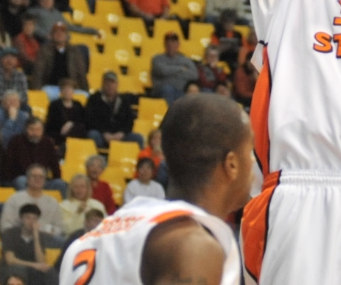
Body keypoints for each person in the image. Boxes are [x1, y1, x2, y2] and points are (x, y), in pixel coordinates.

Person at [61, 93, 251, 285]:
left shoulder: (103, 232)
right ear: (231, 164)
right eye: (250, 151)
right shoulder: (192, 245)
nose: (255, 163)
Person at [0, 204, 57, 285]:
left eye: (34, 219)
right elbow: (10, 260)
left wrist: (36, 237)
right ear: (21, 219)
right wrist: (34, 265)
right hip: (9, 270)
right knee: (19, 271)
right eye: (28, 218)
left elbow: (41, 261)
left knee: (50, 271)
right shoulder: (10, 233)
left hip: (30, 271)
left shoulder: (39, 236)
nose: (31, 221)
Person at [0, 164, 65, 239]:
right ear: (27, 179)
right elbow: (5, 225)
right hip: (21, 239)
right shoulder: (14, 199)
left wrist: (46, 230)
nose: (37, 179)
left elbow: (59, 227)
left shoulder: (53, 202)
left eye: (41, 177)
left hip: (45, 238)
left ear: (45, 180)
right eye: (34, 176)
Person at [4, 119, 67, 196]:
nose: (35, 133)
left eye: (38, 130)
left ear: (42, 131)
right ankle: (28, 206)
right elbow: (8, 165)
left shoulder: (48, 143)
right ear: (26, 130)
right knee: (21, 181)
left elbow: (55, 165)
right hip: (24, 179)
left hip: (42, 180)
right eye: (32, 129)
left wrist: (56, 177)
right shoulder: (16, 141)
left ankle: (64, 207)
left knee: (60, 184)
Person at [85, 71, 143, 149]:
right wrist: (104, 133)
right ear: (102, 84)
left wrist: (121, 133)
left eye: (112, 83)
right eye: (107, 83)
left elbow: (129, 121)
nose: (110, 86)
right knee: (93, 135)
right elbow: (90, 120)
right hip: (101, 134)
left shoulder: (123, 100)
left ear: (117, 84)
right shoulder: (94, 99)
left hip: (119, 135)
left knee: (138, 138)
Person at [31, 22, 89, 98]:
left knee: (85, 96)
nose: (59, 34)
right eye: (56, 32)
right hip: (51, 87)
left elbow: (81, 73)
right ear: (52, 35)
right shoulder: (44, 51)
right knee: (45, 93)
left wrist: (85, 89)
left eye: (62, 32)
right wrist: (37, 89)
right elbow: (38, 71)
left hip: (71, 88)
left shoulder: (75, 52)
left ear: (66, 35)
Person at [150, 32, 198, 105]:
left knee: (192, 93)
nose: (171, 45)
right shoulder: (157, 58)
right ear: (165, 44)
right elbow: (162, 71)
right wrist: (181, 69)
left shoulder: (185, 60)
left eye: (173, 42)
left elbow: (194, 75)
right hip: (162, 91)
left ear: (178, 44)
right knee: (168, 89)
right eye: (168, 42)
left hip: (181, 90)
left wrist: (170, 72)